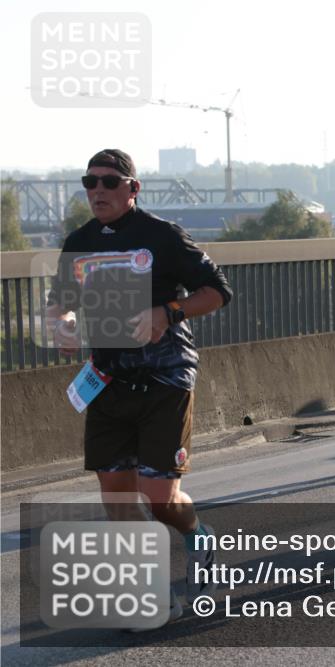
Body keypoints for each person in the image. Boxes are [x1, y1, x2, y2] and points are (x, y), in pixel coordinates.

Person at [46, 149, 233, 626]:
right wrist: (62, 325)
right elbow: (59, 305)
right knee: (117, 498)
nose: (98, 191)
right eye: (90, 182)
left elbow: (217, 291)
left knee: (158, 497)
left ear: (133, 188)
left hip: (165, 377)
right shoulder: (79, 241)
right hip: (106, 381)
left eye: (110, 182)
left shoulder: (162, 235)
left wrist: (167, 313)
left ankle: (198, 535)